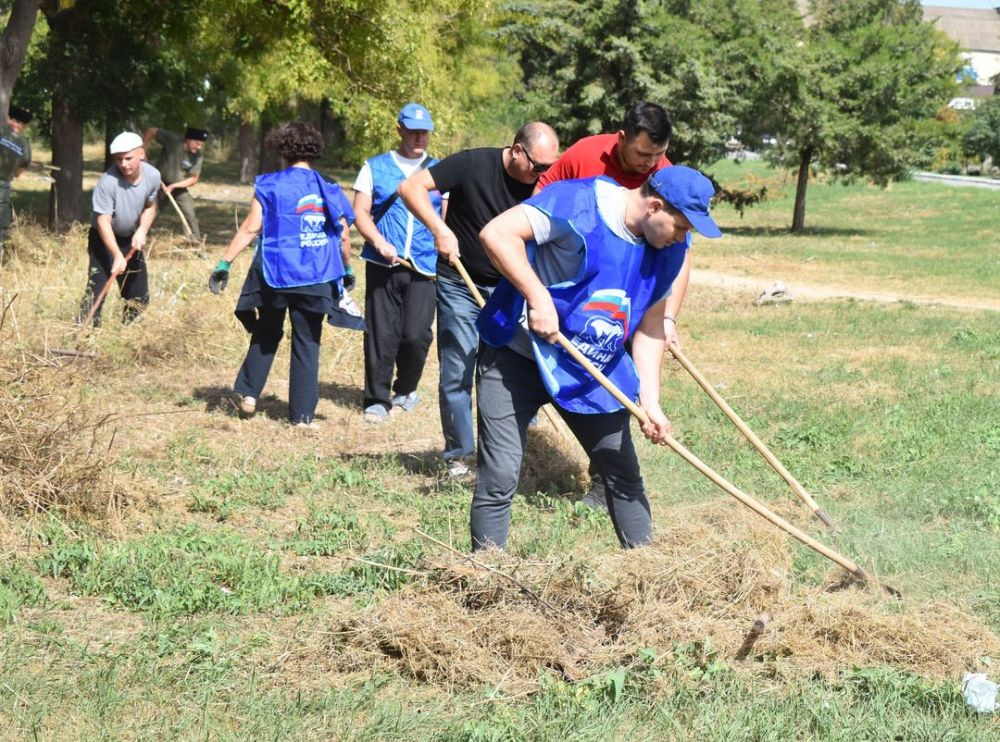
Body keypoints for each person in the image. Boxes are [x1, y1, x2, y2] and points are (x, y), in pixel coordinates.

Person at [472, 166, 723, 550]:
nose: (682, 240)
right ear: (654, 206)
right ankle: (487, 576)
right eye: (682, 228)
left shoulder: (668, 252)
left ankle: (647, 571)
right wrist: (538, 298)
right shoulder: (577, 204)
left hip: (590, 370)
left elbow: (651, 328)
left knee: (621, 471)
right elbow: (497, 234)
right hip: (516, 357)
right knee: (501, 473)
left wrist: (650, 402)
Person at [534, 102, 682, 512]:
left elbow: (679, 253)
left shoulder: (662, 176)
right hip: (570, 293)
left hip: (626, 294)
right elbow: (539, 203)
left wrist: (666, 317)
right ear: (620, 140)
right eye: (642, 155)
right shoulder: (584, 154)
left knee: (614, 384)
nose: (651, 164)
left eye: (658, 155)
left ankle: (605, 480)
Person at [398, 121, 560, 476]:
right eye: (538, 166)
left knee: (508, 369)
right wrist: (439, 229)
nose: (543, 174)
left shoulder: (541, 184)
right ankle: (458, 454)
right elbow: (410, 188)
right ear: (518, 150)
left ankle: (506, 449)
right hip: (461, 280)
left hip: (510, 288)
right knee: (458, 367)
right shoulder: (472, 163)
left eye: (549, 167)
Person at [207, 122, 360, 427]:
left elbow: (251, 227)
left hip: (275, 273)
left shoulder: (269, 184)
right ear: (314, 150)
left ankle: (248, 394)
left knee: (267, 331)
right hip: (316, 276)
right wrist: (347, 269)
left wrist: (224, 263)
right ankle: (302, 417)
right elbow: (343, 234)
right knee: (307, 341)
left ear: (282, 150)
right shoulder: (328, 186)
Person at [353, 103, 445, 424]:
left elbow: (447, 219)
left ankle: (406, 389)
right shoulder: (375, 167)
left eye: (425, 132)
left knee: (416, 335)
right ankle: (376, 399)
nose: (420, 137)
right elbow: (360, 212)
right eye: (413, 130)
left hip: (425, 266)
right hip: (383, 263)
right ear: (399, 129)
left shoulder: (439, 170)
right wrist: (379, 242)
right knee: (381, 332)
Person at [77, 131, 160, 325]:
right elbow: (102, 221)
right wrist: (116, 255)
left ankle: (129, 331)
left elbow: (150, 206)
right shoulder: (108, 182)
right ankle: (86, 335)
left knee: (139, 295)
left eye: (128, 158)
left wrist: (142, 230)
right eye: (118, 159)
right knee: (97, 288)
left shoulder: (153, 175)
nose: (123, 164)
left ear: (141, 153)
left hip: (130, 238)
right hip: (103, 239)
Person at [142, 125, 208, 241]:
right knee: (151, 211)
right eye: (197, 143)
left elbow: (194, 178)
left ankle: (195, 242)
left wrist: (174, 186)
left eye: (201, 145)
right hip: (159, 183)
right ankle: (139, 237)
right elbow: (151, 131)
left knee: (190, 212)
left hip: (178, 186)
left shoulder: (198, 155)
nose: (199, 147)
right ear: (188, 139)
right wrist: (142, 151)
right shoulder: (173, 140)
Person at [0, 105, 33, 262]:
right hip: (3, 187)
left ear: (9, 119)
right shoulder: (25, 145)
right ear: (24, 126)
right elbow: (19, 173)